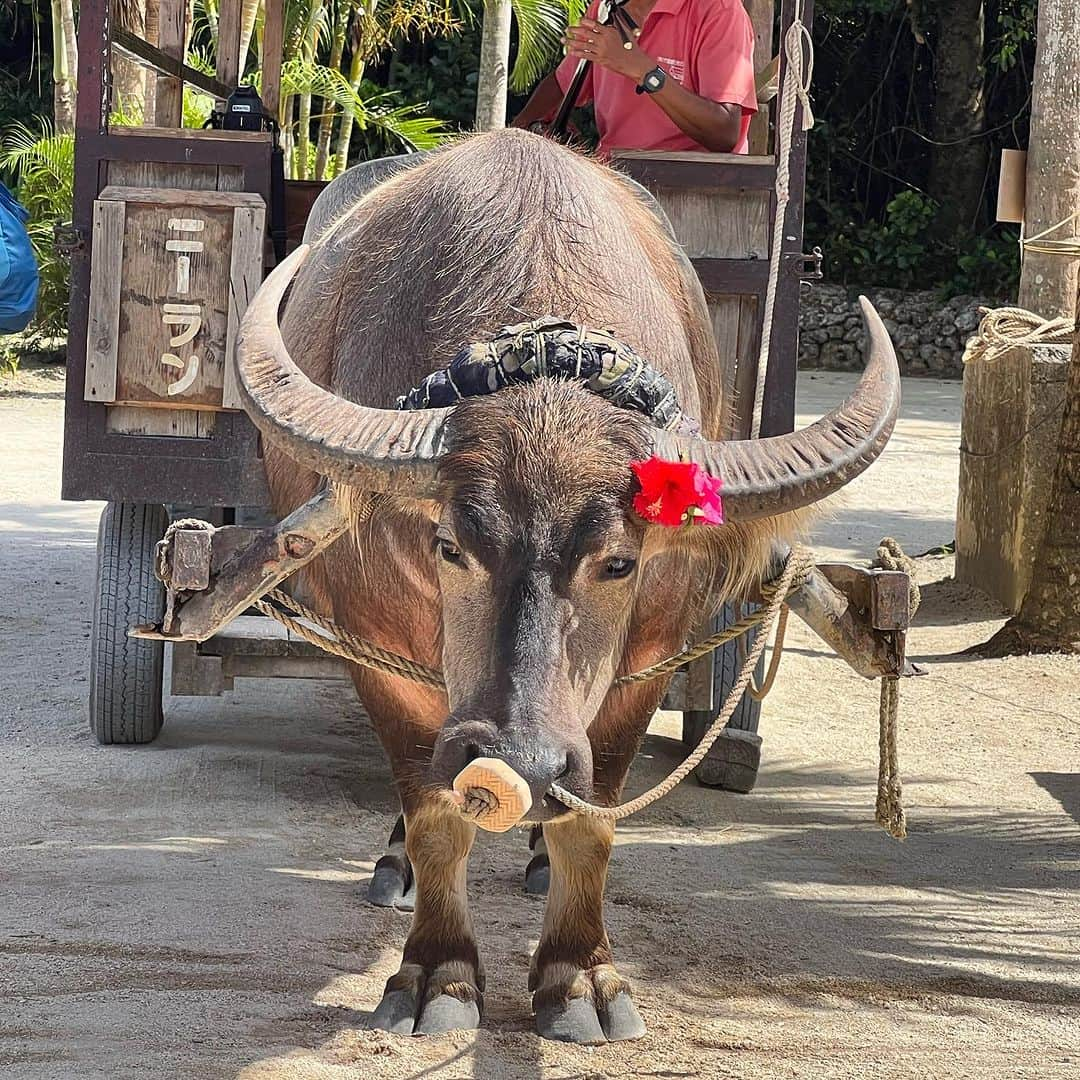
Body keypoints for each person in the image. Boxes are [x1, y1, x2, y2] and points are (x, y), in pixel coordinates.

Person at [512, 0, 758, 156]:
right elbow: (561, 84)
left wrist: (642, 70)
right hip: (616, 179)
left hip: (691, 185)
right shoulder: (605, 10)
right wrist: (518, 130)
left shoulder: (720, 11)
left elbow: (724, 133)